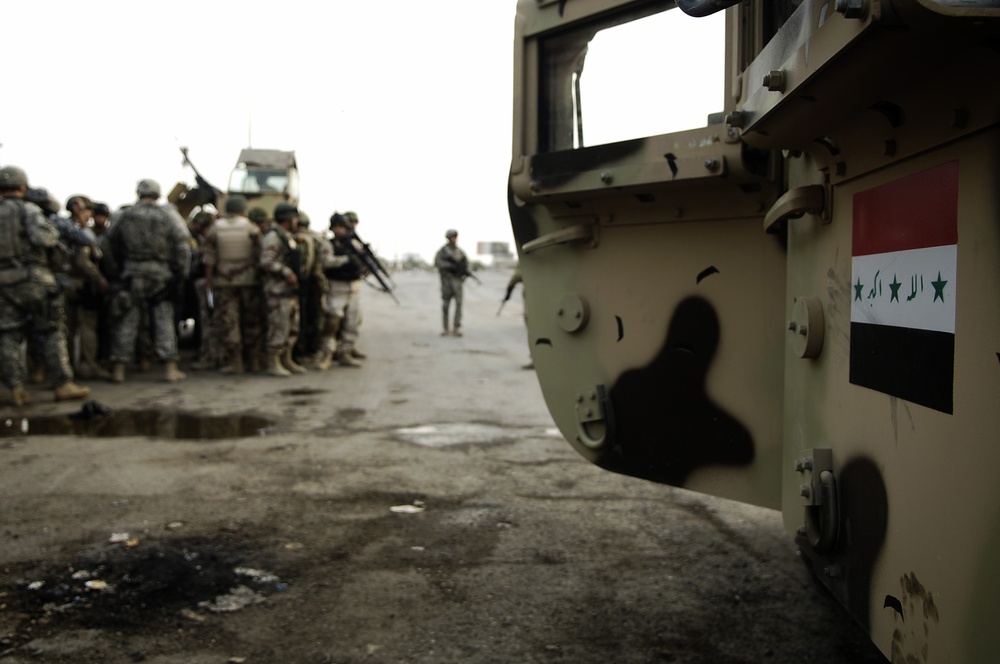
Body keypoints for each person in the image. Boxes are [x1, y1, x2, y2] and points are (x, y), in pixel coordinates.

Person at [0, 165, 90, 405]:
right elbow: (45, 238)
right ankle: (62, 384)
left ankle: (12, 388)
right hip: (34, 278)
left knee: (8, 333)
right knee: (51, 329)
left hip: (3, 281)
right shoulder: (28, 210)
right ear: (22, 187)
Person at [105, 179, 192, 383]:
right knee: (163, 320)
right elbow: (182, 246)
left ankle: (119, 369)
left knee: (127, 320)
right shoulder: (168, 215)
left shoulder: (124, 215)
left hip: (132, 273)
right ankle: (170, 368)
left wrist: (116, 271)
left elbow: (108, 244)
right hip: (161, 274)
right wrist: (181, 274)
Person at [202, 196, 262, 375]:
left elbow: (208, 259)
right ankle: (254, 361)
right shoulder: (252, 227)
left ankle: (236, 362)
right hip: (249, 281)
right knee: (252, 322)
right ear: (243, 210)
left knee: (230, 322)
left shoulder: (215, 228)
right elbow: (260, 255)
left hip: (225, 281)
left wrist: (209, 282)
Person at [63, 195, 110, 380]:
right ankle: (87, 365)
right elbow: (84, 263)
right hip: (81, 285)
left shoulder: (62, 228)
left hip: (67, 285)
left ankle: (66, 367)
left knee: (67, 328)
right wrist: (100, 280)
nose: (91, 214)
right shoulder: (78, 232)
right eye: (88, 210)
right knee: (87, 326)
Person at [260, 202, 305, 377]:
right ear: (288, 219)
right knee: (279, 327)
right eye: (294, 218)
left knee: (292, 327)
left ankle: (287, 358)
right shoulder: (273, 236)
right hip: (277, 291)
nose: (296, 222)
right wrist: (286, 273)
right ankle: (273, 362)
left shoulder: (287, 236)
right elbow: (266, 261)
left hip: (289, 292)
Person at [320, 213, 365, 367]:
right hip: (337, 285)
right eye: (336, 227)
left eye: (342, 227)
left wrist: (362, 264)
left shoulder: (354, 244)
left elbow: (363, 264)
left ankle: (346, 351)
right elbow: (327, 262)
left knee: (352, 322)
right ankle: (327, 353)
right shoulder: (329, 245)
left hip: (354, 286)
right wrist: (346, 260)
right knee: (333, 320)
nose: (339, 230)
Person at [434, 229, 469, 336]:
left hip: (457, 282)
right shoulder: (443, 251)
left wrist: (464, 272)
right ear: (448, 238)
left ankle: (456, 327)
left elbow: (466, 264)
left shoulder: (460, 251)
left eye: (455, 237)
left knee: (459, 305)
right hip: (447, 282)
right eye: (452, 237)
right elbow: (438, 263)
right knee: (446, 305)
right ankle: (446, 328)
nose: (453, 239)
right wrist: (450, 266)